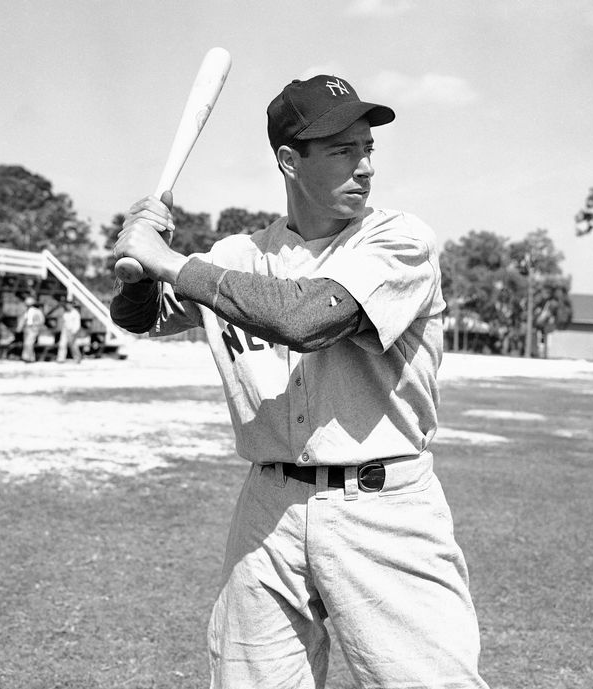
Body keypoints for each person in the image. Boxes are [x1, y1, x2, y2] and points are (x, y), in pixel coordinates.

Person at [110, 75, 488, 688]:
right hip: (269, 507)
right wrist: (138, 261)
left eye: (368, 147)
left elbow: (306, 319)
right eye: (342, 150)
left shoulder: (399, 241)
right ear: (290, 161)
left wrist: (173, 264)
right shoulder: (238, 255)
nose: (365, 165)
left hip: (383, 506)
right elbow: (139, 318)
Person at [16, 295, 45, 362]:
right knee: (26, 343)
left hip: (33, 329)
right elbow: (23, 320)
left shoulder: (37, 311)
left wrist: (36, 326)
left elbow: (41, 320)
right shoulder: (26, 312)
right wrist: (19, 328)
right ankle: (26, 357)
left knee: (29, 343)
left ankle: (31, 358)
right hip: (27, 329)